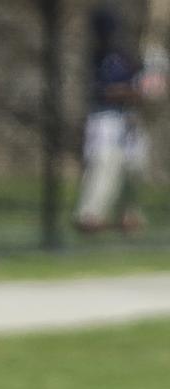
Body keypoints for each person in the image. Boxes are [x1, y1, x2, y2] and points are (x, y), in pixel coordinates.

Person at [75, 7, 150, 234]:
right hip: (105, 118)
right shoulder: (97, 57)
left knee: (134, 166)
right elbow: (104, 91)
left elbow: (140, 82)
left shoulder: (124, 56)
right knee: (104, 164)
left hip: (127, 119)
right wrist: (134, 91)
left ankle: (129, 215)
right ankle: (90, 216)